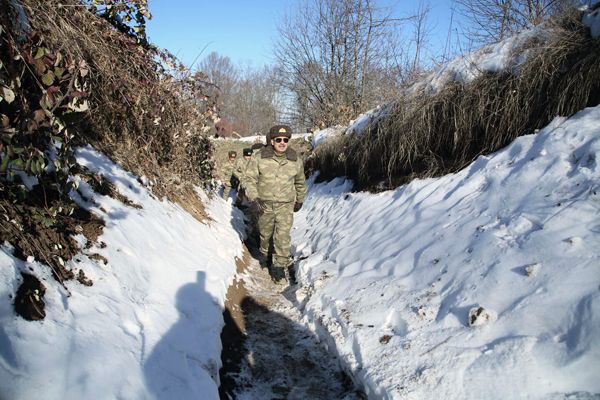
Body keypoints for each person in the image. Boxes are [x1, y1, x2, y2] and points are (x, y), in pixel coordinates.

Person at [244, 124, 306, 283]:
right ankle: (265, 255)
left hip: (285, 205)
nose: (282, 142)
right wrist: (254, 197)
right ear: (272, 141)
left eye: (286, 140)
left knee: (282, 236)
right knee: (265, 235)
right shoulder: (259, 157)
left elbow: (300, 182)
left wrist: (300, 199)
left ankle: (279, 268)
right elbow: (248, 179)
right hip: (264, 204)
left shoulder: (295, 160)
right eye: (278, 139)